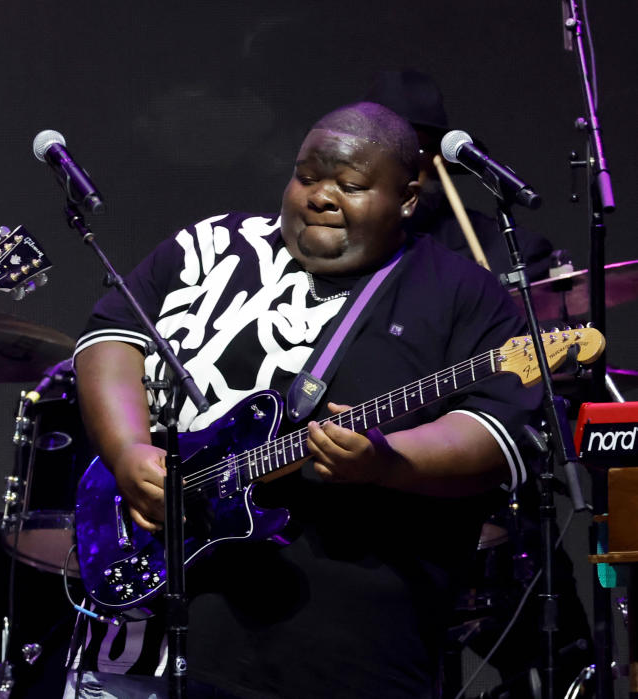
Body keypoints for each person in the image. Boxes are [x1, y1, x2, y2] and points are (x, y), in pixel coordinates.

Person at [67, 102, 543, 698]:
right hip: (148, 639)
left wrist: (387, 460)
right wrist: (127, 450)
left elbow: (495, 429)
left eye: (350, 185)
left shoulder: (460, 293)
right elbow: (110, 339)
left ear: (407, 200)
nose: (320, 196)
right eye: (308, 176)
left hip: (343, 654)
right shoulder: (211, 245)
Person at [364, 68, 593, 699]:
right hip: (375, 474)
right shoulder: (362, 245)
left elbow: (554, 334)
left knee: (554, 638)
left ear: (435, 156)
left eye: (413, 146)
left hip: (478, 473)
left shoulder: (494, 243)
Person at [362, 69, 564, 282]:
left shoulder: (509, 251)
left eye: (415, 149)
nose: (398, 165)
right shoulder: (337, 247)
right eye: (382, 148)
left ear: (440, 157)